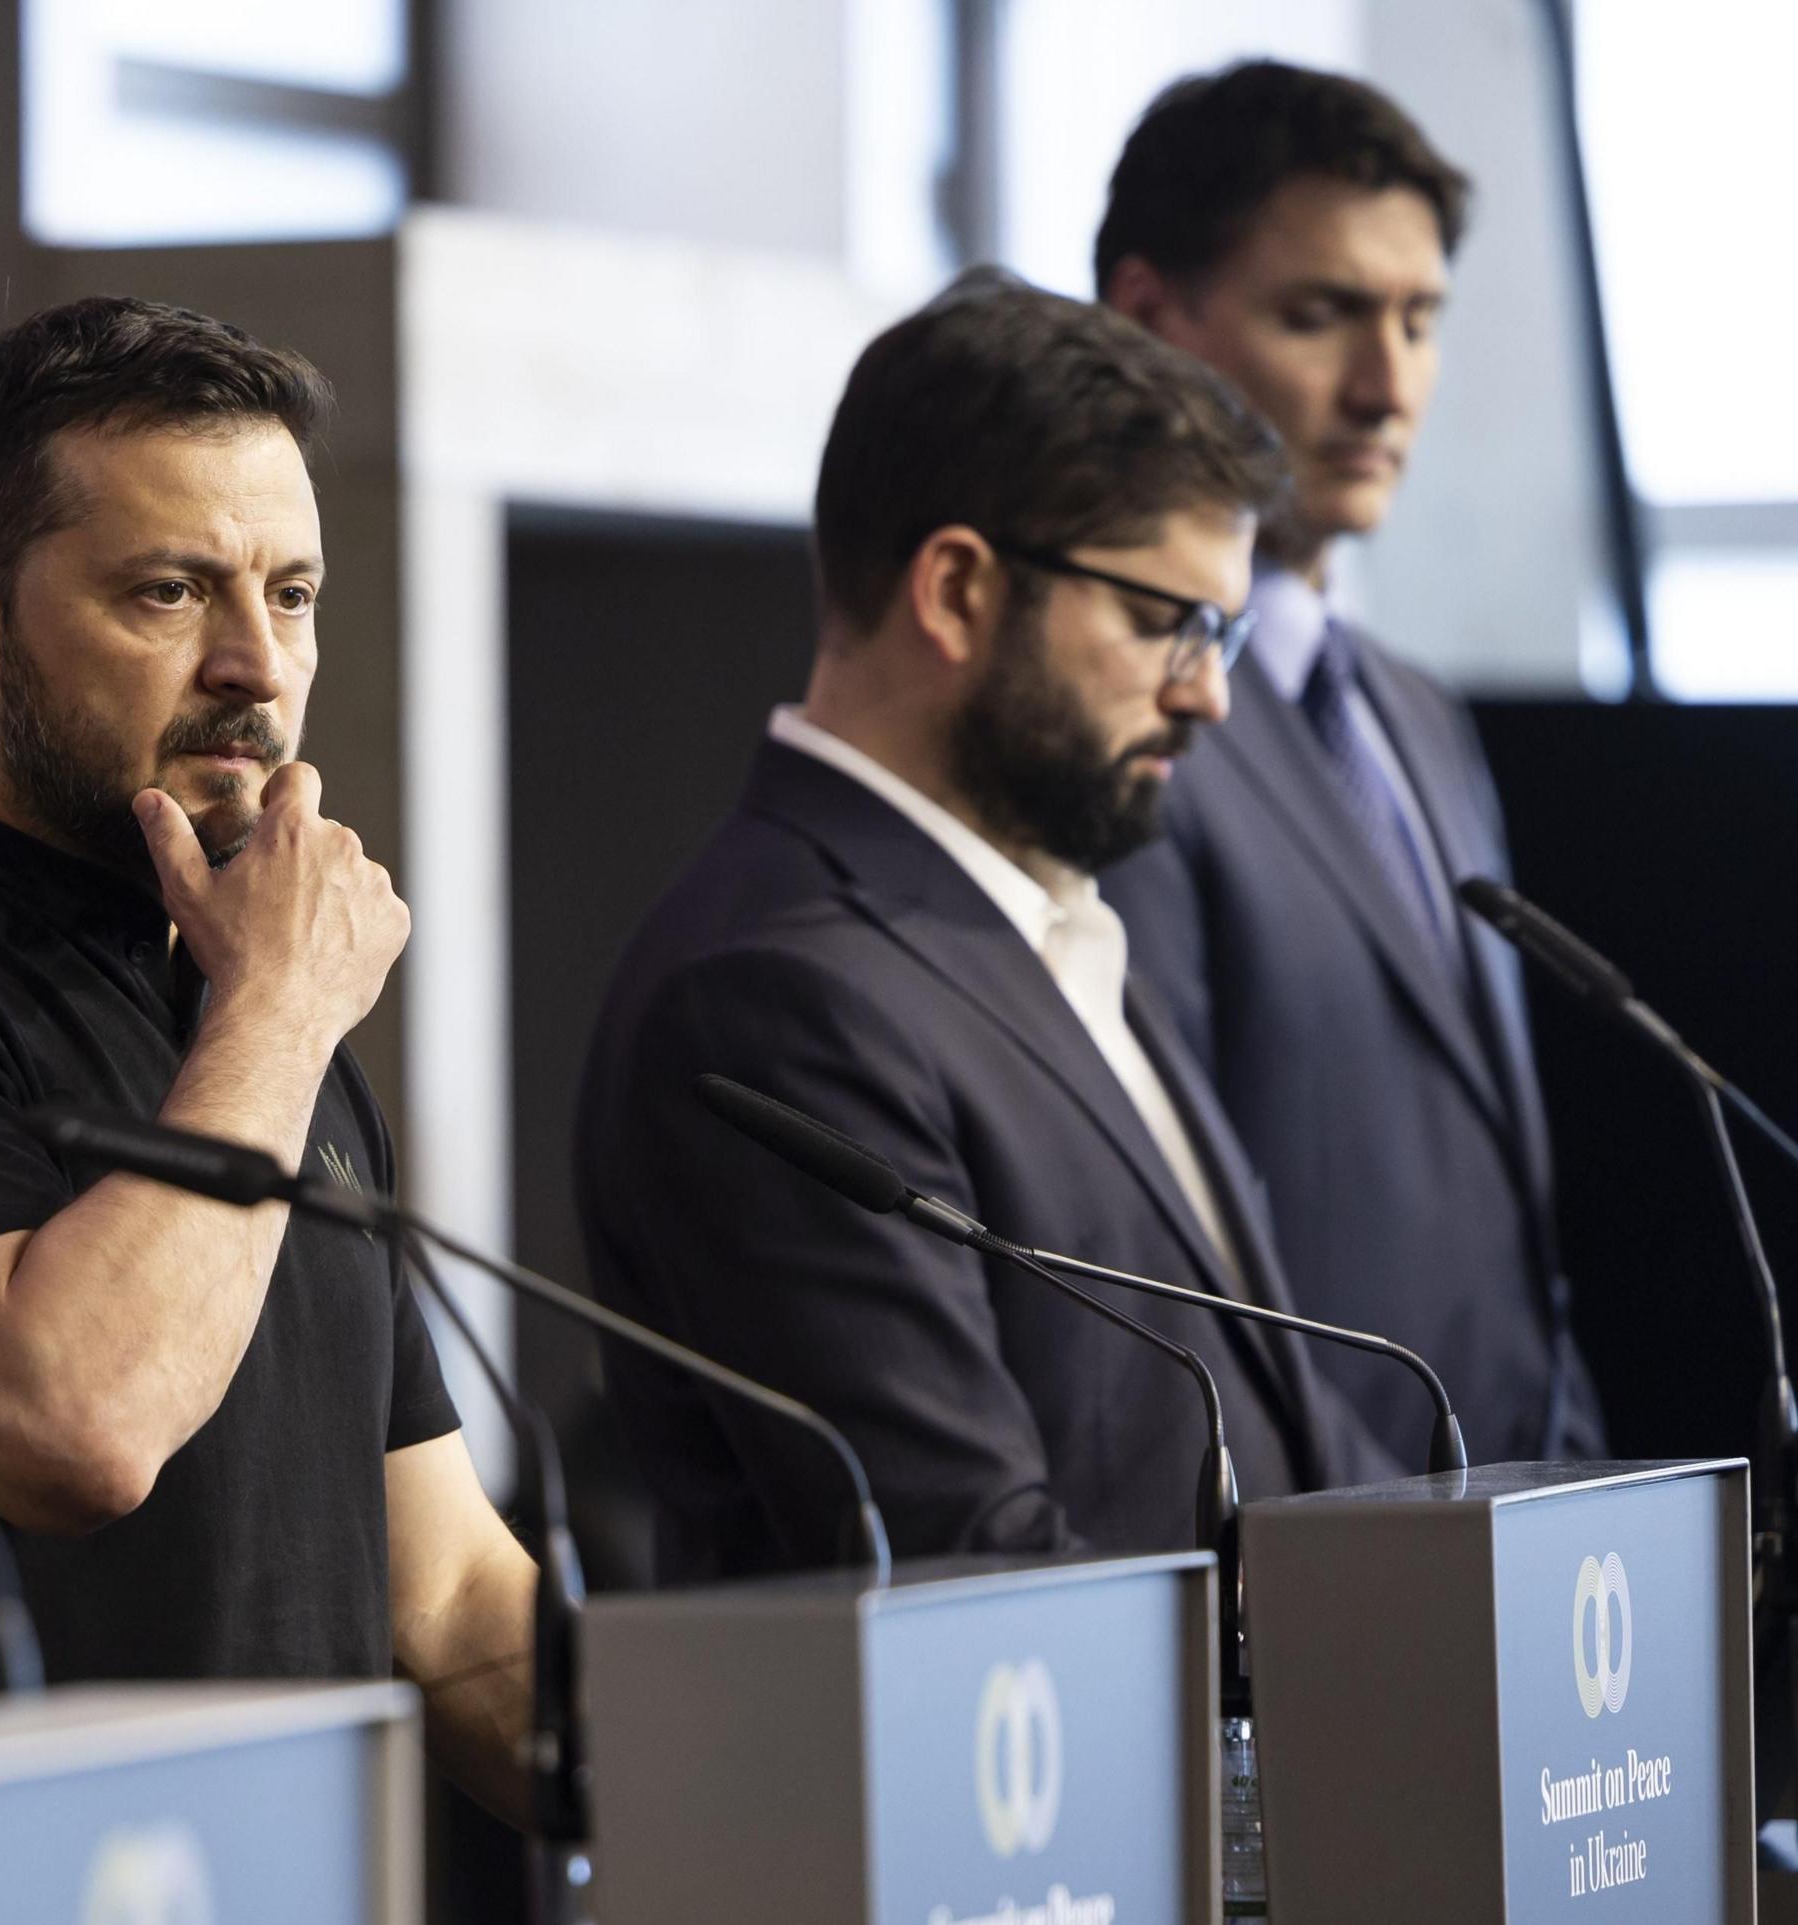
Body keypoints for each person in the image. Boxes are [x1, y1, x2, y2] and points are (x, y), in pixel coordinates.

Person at [0, 298, 541, 1820]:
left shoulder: (259, 999)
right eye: (172, 592)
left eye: (297, 593)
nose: (259, 666)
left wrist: (760, 1828)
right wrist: (274, 1019)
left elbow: (445, 1594)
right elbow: (79, 1425)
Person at [574, 273, 1386, 1580]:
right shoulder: (774, 994)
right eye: (1162, 621)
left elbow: (1283, 1426)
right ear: (956, 591)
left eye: (1222, 629)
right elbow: (975, 1557)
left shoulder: (1055, 919)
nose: (1212, 695)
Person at [1095, 64, 1595, 1469]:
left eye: (1420, 320)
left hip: (1523, 1548)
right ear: (1149, 318)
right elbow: (1167, 1255)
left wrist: (1571, 1494)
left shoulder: (1419, 715)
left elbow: (1505, 1234)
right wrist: (1391, 1556)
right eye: (1319, 315)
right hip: (1328, 1578)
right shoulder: (1121, 719)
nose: (1387, 385)